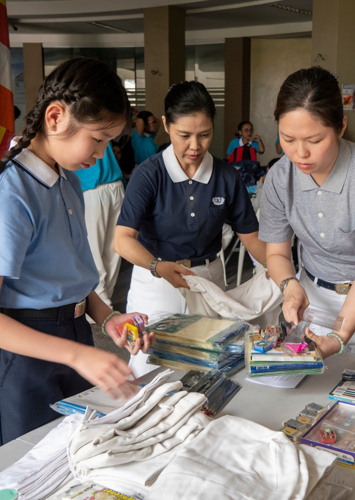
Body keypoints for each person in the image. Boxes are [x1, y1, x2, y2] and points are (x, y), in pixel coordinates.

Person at [0, 58, 154, 452]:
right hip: (20, 353)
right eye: (97, 139)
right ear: (55, 117)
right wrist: (78, 355)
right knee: (27, 465)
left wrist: (108, 317)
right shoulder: (10, 196)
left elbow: (71, 275)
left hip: (72, 336)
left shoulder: (66, 182)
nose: (100, 154)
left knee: (72, 455)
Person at [259, 67, 355, 500]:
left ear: (341, 126)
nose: (300, 153)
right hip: (315, 296)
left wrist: (342, 336)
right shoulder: (279, 177)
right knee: (307, 409)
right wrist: (289, 285)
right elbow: (275, 251)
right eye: (288, 140)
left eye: (315, 140)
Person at [114, 81, 266, 377]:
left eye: (204, 135)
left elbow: (252, 238)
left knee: (210, 369)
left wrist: (281, 273)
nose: (195, 146)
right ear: (167, 125)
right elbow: (122, 240)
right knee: (151, 371)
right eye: (184, 135)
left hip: (208, 279)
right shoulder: (149, 174)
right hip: (156, 281)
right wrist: (158, 267)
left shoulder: (226, 176)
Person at [72, 142, 125, 309]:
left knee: (105, 251)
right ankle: (103, 303)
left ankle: (102, 304)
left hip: (103, 187)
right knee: (105, 251)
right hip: (104, 187)